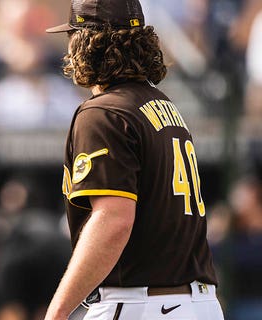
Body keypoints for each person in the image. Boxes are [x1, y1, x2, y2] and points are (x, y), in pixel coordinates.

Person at [43, 0, 225, 319]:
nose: (68, 48)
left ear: (87, 42)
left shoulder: (104, 112)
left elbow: (113, 221)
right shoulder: (164, 106)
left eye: (72, 36)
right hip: (199, 304)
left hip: (142, 303)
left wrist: (56, 312)